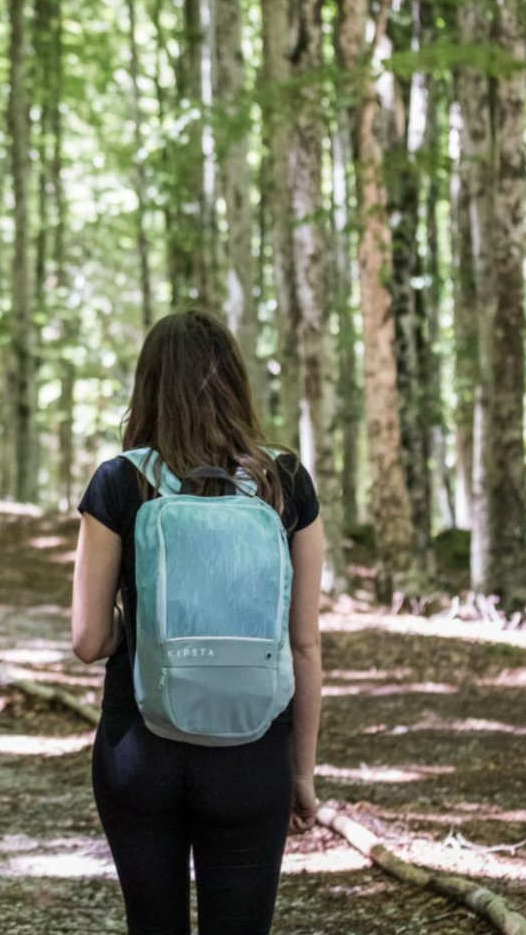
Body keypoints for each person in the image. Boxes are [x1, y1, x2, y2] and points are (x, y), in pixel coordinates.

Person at [71, 309, 325, 934]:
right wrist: (301, 772)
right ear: (236, 383)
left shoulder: (121, 480)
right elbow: (305, 643)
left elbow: (87, 640)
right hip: (252, 748)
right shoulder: (283, 479)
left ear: (148, 385)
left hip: (141, 750)